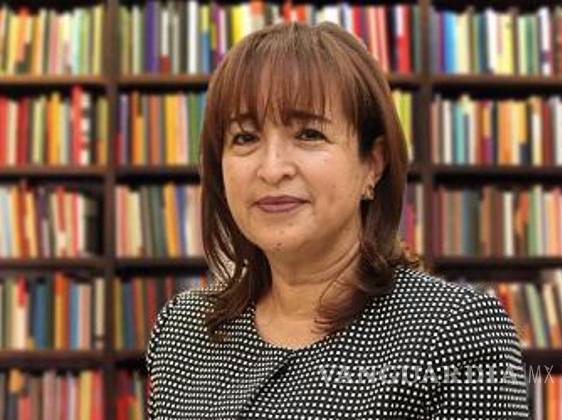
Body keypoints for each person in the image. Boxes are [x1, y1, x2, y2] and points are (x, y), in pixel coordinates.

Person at [146, 21, 530, 419]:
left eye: (309, 134)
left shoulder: (455, 330)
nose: (272, 169)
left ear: (372, 165)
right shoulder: (182, 330)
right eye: (245, 138)